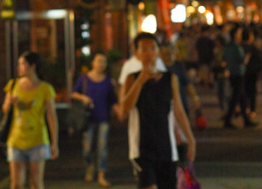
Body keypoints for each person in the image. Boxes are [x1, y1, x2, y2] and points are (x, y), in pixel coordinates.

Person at [120, 32, 196, 189]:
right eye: (144, 49)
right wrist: (141, 80)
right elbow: (124, 109)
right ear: (136, 53)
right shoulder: (132, 79)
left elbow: (179, 111)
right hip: (141, 149)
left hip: (166, 148)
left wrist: (190, 139)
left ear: (158, 51)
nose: (149, 53)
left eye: (153, 48)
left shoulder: (170, 79)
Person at [1, 51, 59, 189]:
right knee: (16, 184)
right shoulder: (13, 85)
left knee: (36, 182)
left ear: (33, 66)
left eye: (22, 64)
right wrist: (10, 102)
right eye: (18, 64)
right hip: (16, 139)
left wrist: (54, 142)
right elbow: (5, 109)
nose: (19, 67)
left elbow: (51, 116)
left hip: (38, 139)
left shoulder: (45, 88)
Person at [71, 51, 120, 188]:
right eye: (98, 61)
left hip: (104, 117)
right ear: (92, 63)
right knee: (87, 147)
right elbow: (74, 93)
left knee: (102, 147)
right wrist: (83, 98)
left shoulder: (108, 81)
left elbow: (113, 100)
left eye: (103, 61)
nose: (101, 64)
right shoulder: (84, 78)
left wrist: (120, 112)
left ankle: (101, 175)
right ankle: (89, 167)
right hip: (88, 118)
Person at [223, 25, 257, 129]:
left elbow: (224, 58)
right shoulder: (237, 47)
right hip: (238, 73)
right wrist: (247, 57)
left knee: (241, 97)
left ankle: (245, 120)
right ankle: (228, 119)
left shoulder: (228, 46)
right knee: (236, 97)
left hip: (232, 73)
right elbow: (242, 60)